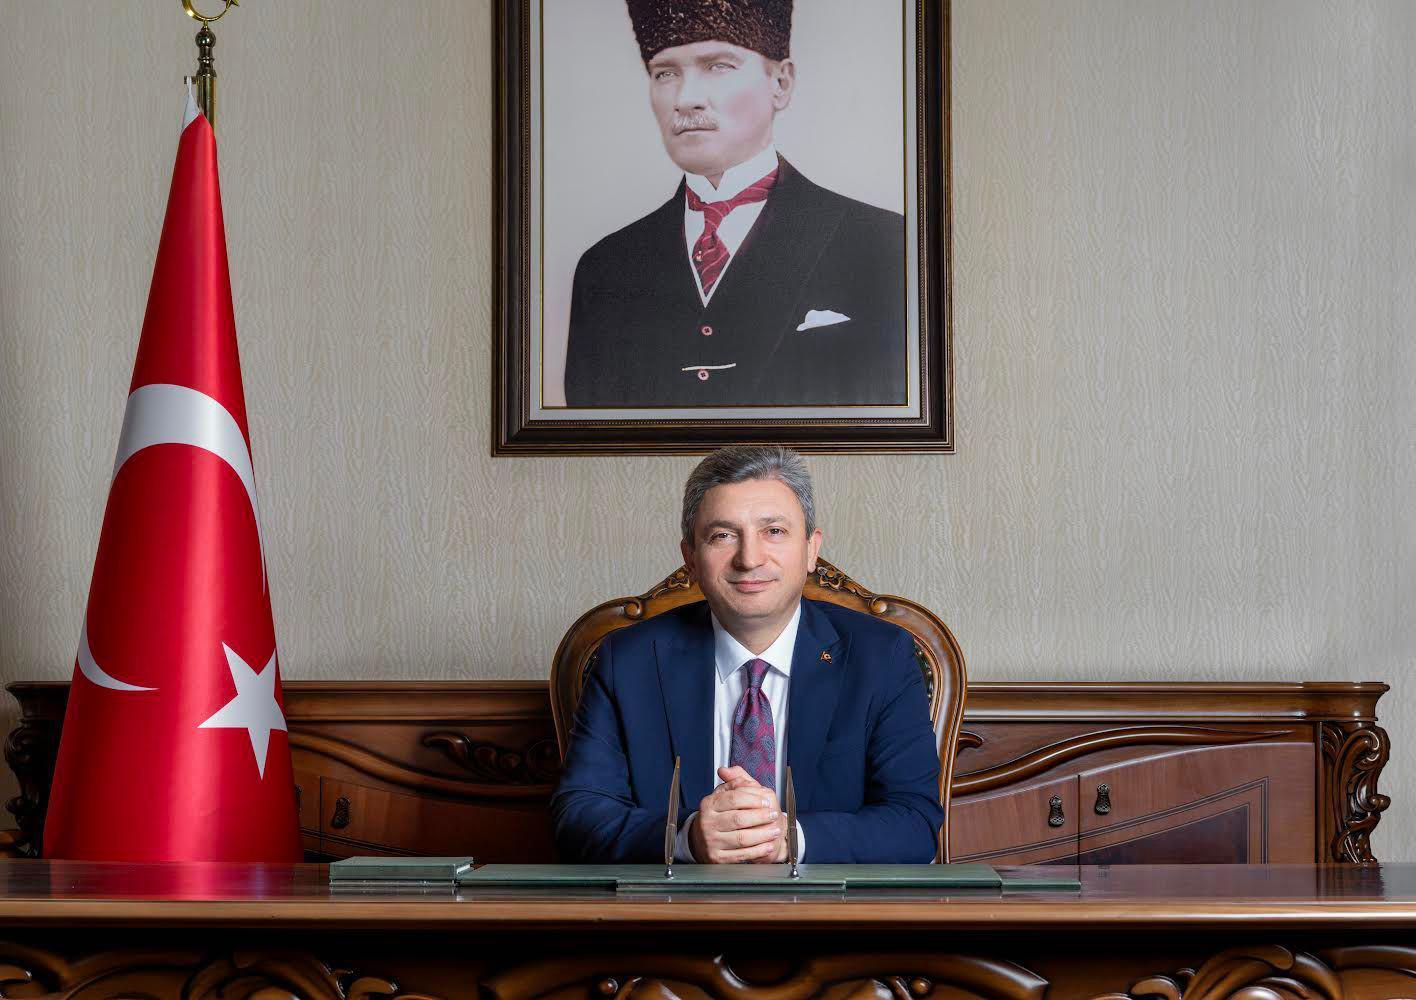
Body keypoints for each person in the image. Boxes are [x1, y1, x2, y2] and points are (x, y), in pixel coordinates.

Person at [551, 446, 942, 864]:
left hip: (828, 904)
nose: (749, 559)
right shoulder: (629, 661)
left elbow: (914, 823)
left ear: (811, 549)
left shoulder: (881, 658)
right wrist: (685, 838)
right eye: (723, 535)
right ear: (690, 558)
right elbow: (577, 818)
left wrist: (787, 839)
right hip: (675, 904)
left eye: (773, 531)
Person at [562, 0, 907, 409]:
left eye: (718, 66)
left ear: (780, 83)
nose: (686, 98)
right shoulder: (605, 269)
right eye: (665, 73)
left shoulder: (885, 245)